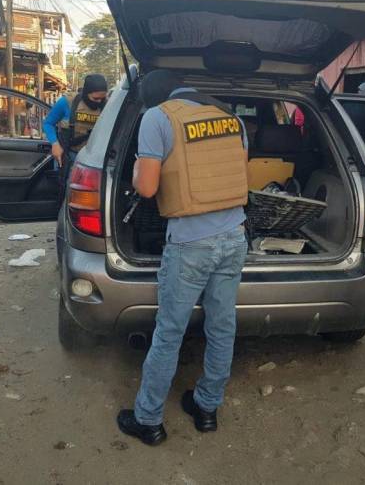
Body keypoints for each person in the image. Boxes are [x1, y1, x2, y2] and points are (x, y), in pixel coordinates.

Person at [117, 69, 249, 447]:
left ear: (156, 97)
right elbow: (238, 173)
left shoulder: (158, 117)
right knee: (222, 327)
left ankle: (149, 420)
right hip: (234, 237)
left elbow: (147, 187)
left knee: (169, 332)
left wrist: (141, 167)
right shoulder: (230, 118)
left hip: (191, 243)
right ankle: (207, 409)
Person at [42, 74, 108, 167]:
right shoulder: (67, 102)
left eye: (102, 98)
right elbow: (48, 124)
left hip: (95, 160)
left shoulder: (108, 106)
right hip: (69, 156)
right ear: (86, 93)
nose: (99, 102)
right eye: (95, 98)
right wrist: (55, 144)